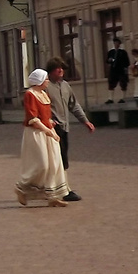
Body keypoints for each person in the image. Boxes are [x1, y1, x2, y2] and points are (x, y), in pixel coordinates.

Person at [15, 70, 69, 207]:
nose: (47, 82)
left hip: (47, 131)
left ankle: (52, 196)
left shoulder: (44, 94)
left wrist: (50, 123)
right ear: (39, 81)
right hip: (36, 133)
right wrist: (47, 130)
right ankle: (22, 188)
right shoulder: (30, 94)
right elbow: (32, 117)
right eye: (45, 79)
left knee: (54, 163)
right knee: (42, 164)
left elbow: (45, 115)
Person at [45, 59, 94, 202]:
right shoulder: (46, 86)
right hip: (53, 128)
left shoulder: (66, 86)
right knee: (57, 159)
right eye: (57, 68)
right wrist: (48, 120)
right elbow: (40, 106)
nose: (60, 71)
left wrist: (85, 120)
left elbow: (74, 105)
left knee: (63, 158)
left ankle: (55, 187)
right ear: (51, 71)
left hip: (65, 127)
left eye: (62, 68)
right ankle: (64, 190)